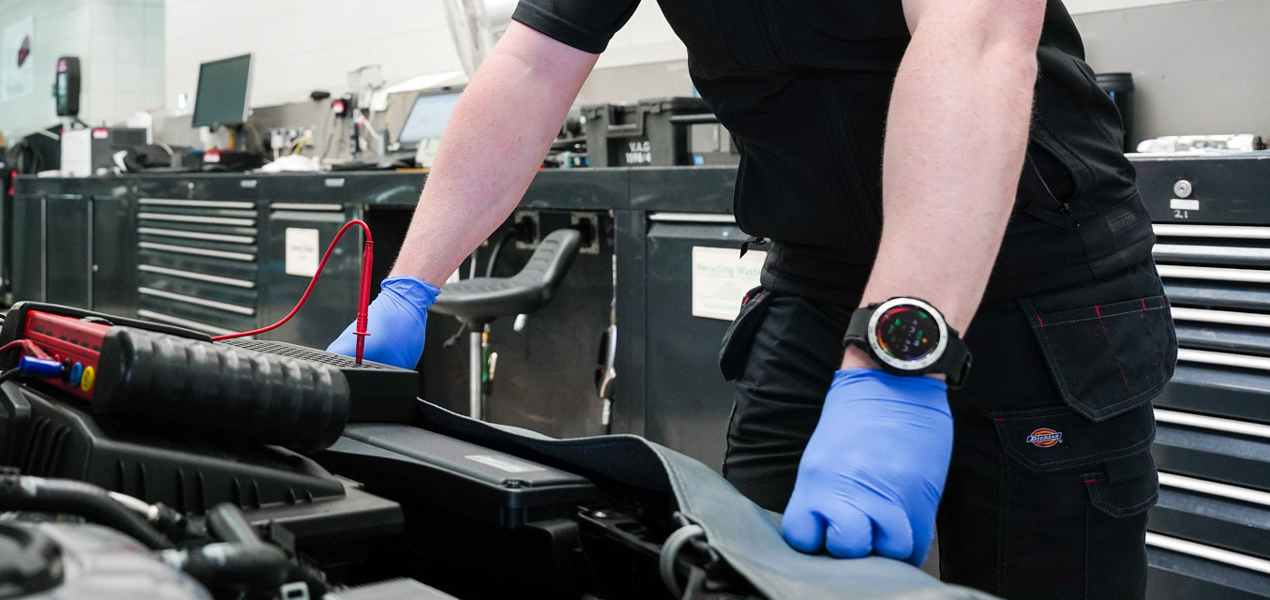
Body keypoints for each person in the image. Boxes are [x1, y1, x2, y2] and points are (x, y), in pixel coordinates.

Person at [327, 0, 1170, 597]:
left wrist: (894, 358)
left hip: (1042, 290)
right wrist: (413, 282)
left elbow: (977, 36)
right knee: (737, 572)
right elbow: (530, 65)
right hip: (815, 286)